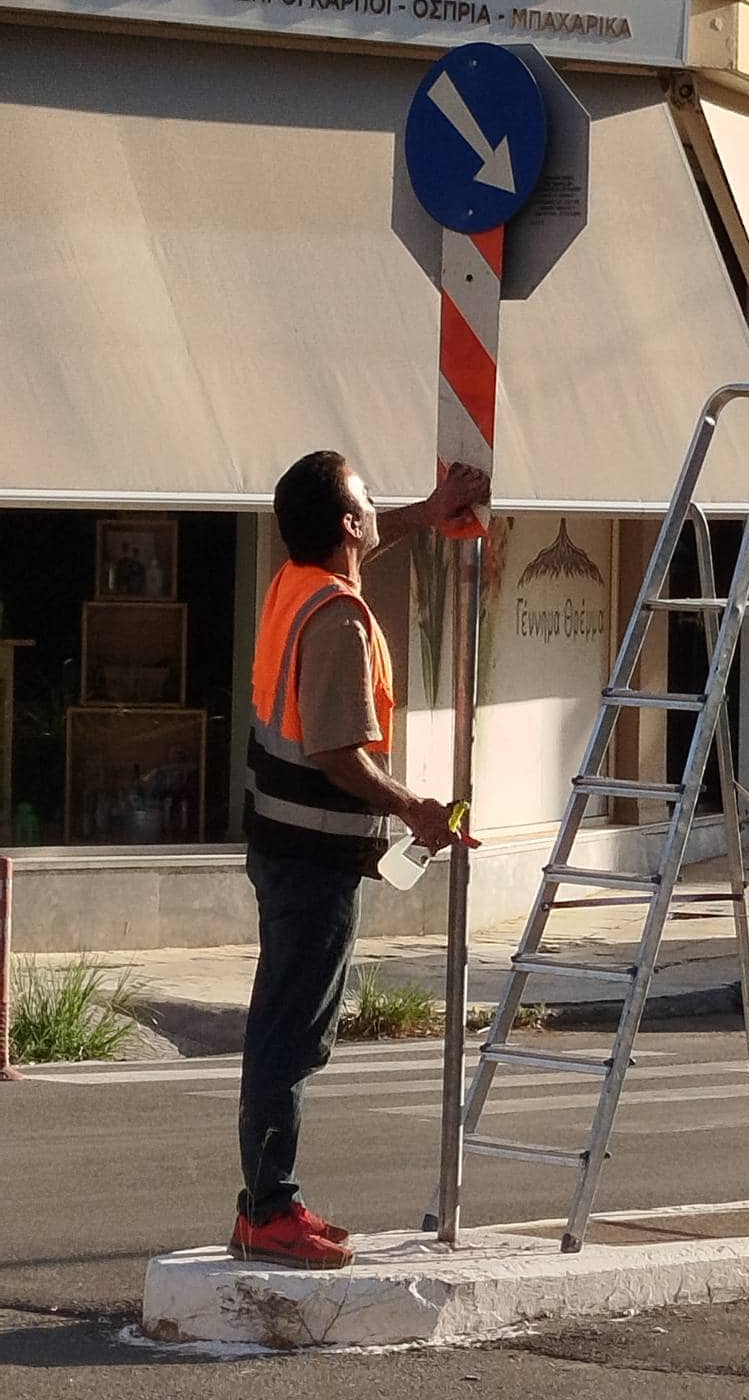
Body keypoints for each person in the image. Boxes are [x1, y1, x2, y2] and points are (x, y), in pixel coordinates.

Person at [230, 450, 488, 1270]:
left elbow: (364, 542)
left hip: (280, 846)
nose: (376, 510)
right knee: (291, 1038)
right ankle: (269, 1209)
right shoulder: (337, 617)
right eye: (366, 501)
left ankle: (269, 1204)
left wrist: (428, 508)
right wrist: (415, 807)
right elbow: (339, 753)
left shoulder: (293, 585)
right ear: (347, 523)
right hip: (312, 858)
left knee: (284, 1026)